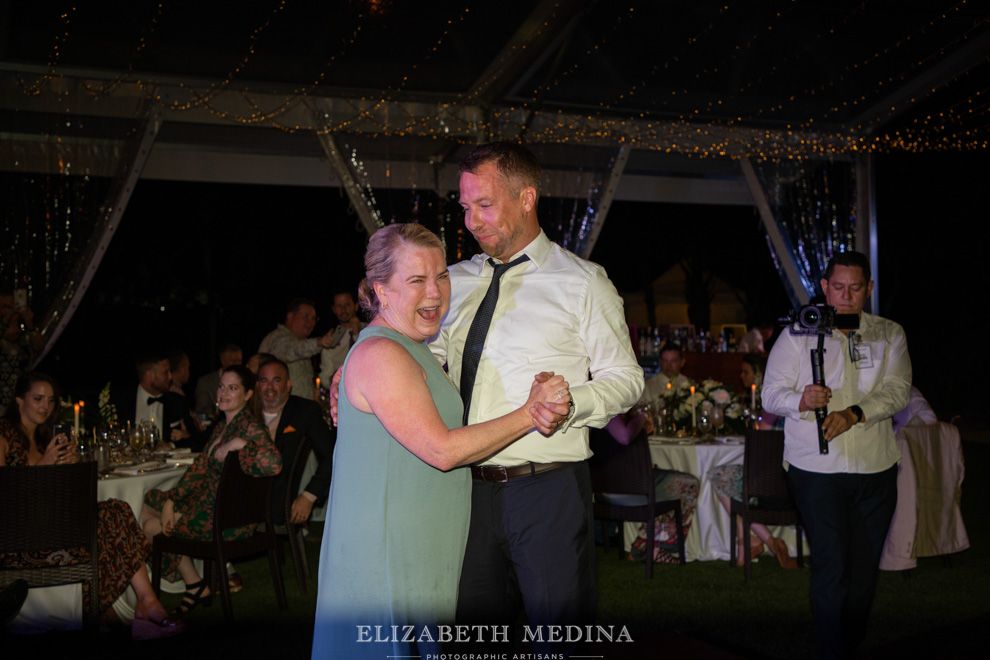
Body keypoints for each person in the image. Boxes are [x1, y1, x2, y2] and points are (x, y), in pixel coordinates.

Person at [311, 223, 570, 659]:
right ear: (382, 291)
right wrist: (529, 413)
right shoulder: (382, 353)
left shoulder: (413, 347)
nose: (435, 293)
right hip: (389, 553)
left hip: (421, 544)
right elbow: (442, 450)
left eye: (442, 276)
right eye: (416, 280)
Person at [438, 141, 643, 652]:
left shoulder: (582, 282)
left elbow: (626, 378)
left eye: (483, 204)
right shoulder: (453, 283)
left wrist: (571, 403)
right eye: (464, 207)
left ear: (526, 197)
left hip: (546, 490)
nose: (470, 220)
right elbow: (420, 362)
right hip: (464, 492)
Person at [763, 251, 911, 659]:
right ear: (825, 288)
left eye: (856, 288)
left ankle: (851, 642)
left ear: (869, 289)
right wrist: (802, 399)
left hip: (875, 467)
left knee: (864, 571)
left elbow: (898, 390)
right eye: (839, 287)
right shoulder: (798, 334)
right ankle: (832, 649)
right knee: (832, 564)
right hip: (815, 468)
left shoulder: (888, 333)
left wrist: (854, 414)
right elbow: (771, 395)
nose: (846, 297)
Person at [0, 372, 184, 639]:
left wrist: (70, 467)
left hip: (51, 521)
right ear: (19, 400)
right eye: (38, 399)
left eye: (50, 401)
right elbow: (6, 494)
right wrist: (45, 464)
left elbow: (59, 491)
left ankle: (147, 602)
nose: (45, 407)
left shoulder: (44, 439)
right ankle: (124, 610)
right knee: (111, 520)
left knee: (117, 510)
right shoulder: (3, 434)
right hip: (20, 535)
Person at [142, 365, 282, 615]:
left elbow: (274, 463)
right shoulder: (221, 427)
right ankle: (196, 584)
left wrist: (239, 444)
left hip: (227, 521)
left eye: (232, 388)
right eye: (221, 386)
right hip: (210, 508)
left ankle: (193, 583)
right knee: (145, 504)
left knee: (151, 526)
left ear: (249, 394)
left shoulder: (249, 427)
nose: (223, 393)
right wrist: (171, 501)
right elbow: (198, 471)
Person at [707, 353, 795, 568]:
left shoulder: (771, 404)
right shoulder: (795, 401)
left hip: (770, 485)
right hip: (797, 480)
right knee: (731, 480)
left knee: (719, 476)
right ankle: (759, 541)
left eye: (745, 371)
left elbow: (762, 441)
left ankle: (756, 540)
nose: (741, 376)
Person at [601, 408, 699, 563]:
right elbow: (625, 437)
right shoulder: (608, 414)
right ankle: (645, 548)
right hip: (624, 489)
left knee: (673, 482)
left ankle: (650, 546)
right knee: (688, 484)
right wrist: (642, 417)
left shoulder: (605, 415)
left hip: (610, 486)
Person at [256, 357, 334, 527]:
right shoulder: (247, 412)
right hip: (241, 494)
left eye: (276, 380)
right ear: (257, 385)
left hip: (275, 503)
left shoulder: (304, 412)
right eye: (264, 381)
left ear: (289, 384)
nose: (269, 387)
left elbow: (332, 456)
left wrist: (308, 496)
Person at [114, 352, 201, 451]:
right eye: (165, 372)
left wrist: (183, 438)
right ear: (149, 375)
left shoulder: (178, 402)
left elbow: (197, 442)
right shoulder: (122, 401)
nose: (170, 377)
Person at [259, 299, 335, 400]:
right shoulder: (277, 337)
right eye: (306, 316)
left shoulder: (303, 344)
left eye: (314, 318)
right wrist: (319, 342)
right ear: (290, 316)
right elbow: (291, 350)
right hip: (279, 410)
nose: (311, 322)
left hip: (300, 410)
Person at [0, 290, 46, 416]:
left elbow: (39, 346)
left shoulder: (25, 338)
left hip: (21, 403)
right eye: (4, 306)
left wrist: (30, 323)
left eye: (12, 306)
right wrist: (5, 320)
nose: (8, 310)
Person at [318, 290, 367, 384]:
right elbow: (325, 376)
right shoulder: (330, 340)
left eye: (347, 304)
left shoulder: (370, 329)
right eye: (339, 306)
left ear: (356, 306)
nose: (343, 310)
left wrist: (357, 335)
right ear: (333, 309)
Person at [194, 343, 243, 417]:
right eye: (234, 361)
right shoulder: (206, 382)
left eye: (239, 361)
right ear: (223, 361)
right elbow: (202, 409)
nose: (237, 364)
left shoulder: (243, 381)